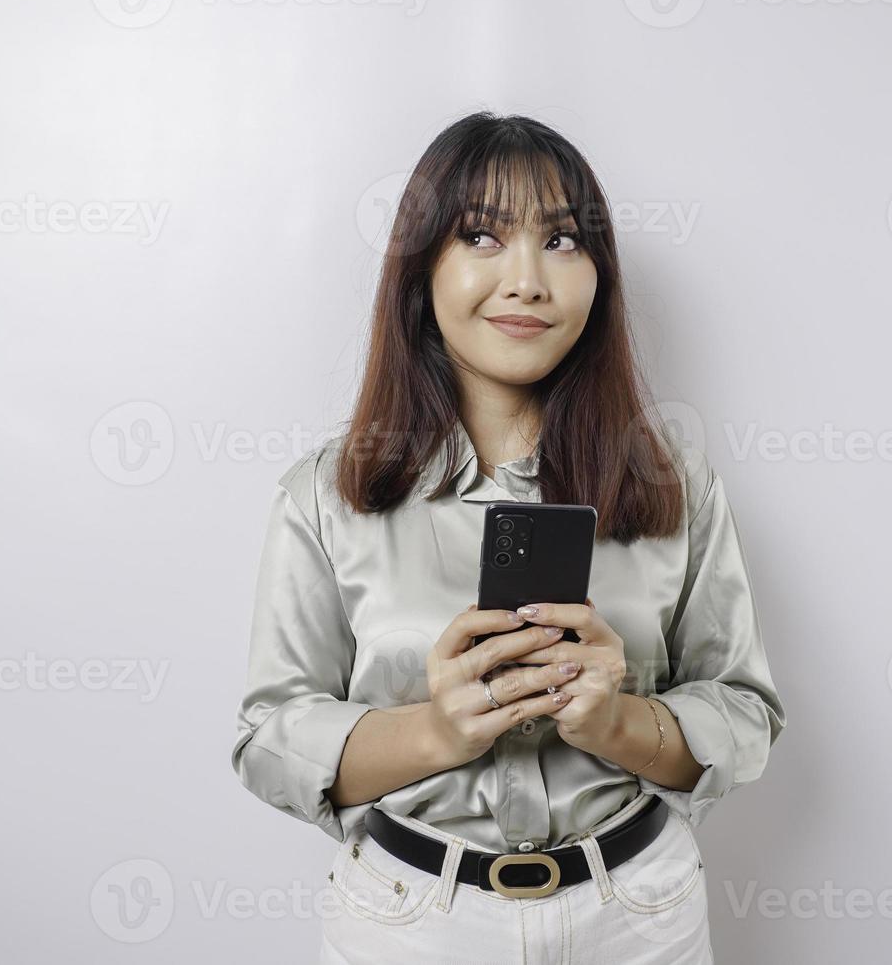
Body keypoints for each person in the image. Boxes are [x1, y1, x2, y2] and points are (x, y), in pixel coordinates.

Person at [231, 110, 786, 964]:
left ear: (600, 276)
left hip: (639, 917)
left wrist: (618, 721)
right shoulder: (326, 495)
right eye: (483, 236)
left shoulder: (673, 483)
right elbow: (271, 738)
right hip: (410, 924)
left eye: (563, 241)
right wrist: (436, 732)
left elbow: (743, 710)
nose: (528, 281)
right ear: (423, 271)